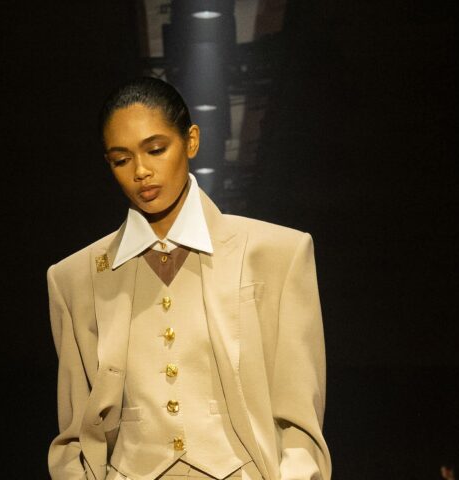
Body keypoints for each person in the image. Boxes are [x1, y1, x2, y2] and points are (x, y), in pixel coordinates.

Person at [46, 77, 331, 480]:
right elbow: (75, 437)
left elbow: (300, 423)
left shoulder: (278, 254)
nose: (141, 171)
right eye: (121, 159)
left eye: (156, 149)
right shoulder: (74, 279)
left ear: (191, 141)